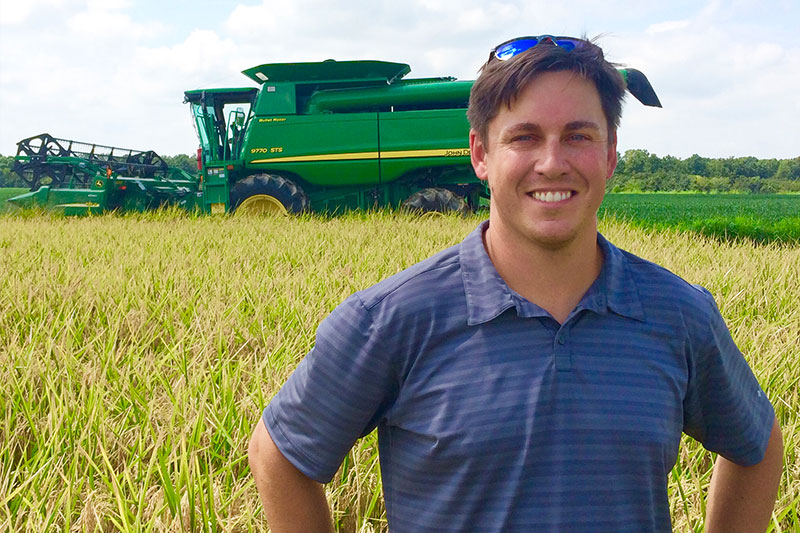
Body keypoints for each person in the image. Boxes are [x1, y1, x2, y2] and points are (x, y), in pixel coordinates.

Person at [248, 35, 782, 531]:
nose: (553, 163)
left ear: (610, 152)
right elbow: (279, 455)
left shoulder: (679, 314)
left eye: (578, 136)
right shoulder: (390, 319)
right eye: (524, 137)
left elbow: (757, 447)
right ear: (481, 154)